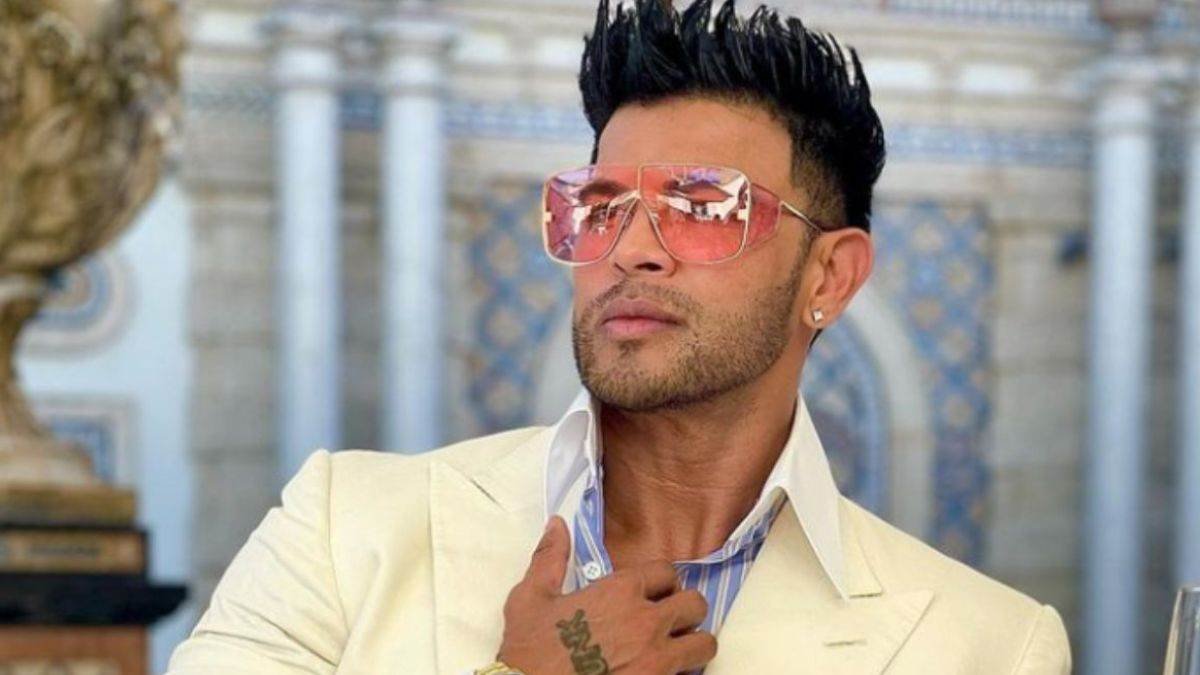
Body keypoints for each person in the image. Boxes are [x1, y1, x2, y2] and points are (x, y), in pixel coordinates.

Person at [167, 1, 1072, 673]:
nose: (630, 249)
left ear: (829, 277)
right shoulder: (341, 528)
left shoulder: (990, 646)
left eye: (703, 207)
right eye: (598, 206)